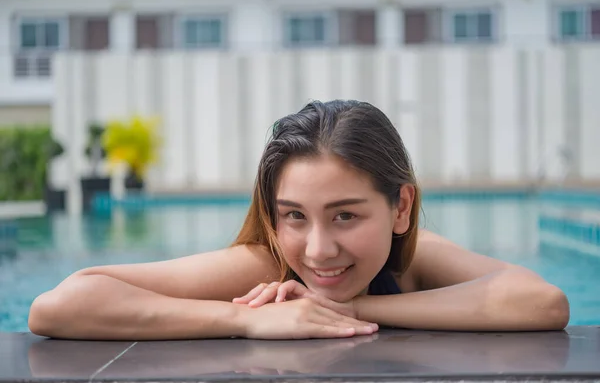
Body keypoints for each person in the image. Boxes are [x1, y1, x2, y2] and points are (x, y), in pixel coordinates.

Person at [28, 100, 570, 341]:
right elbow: (58, 305)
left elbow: (542, 301)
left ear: (400, 208)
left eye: (345, 216)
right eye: (294, 216)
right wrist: (245, 320)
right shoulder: (262, 266)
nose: (318, 250)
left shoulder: (415, 258)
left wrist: (353, 306)